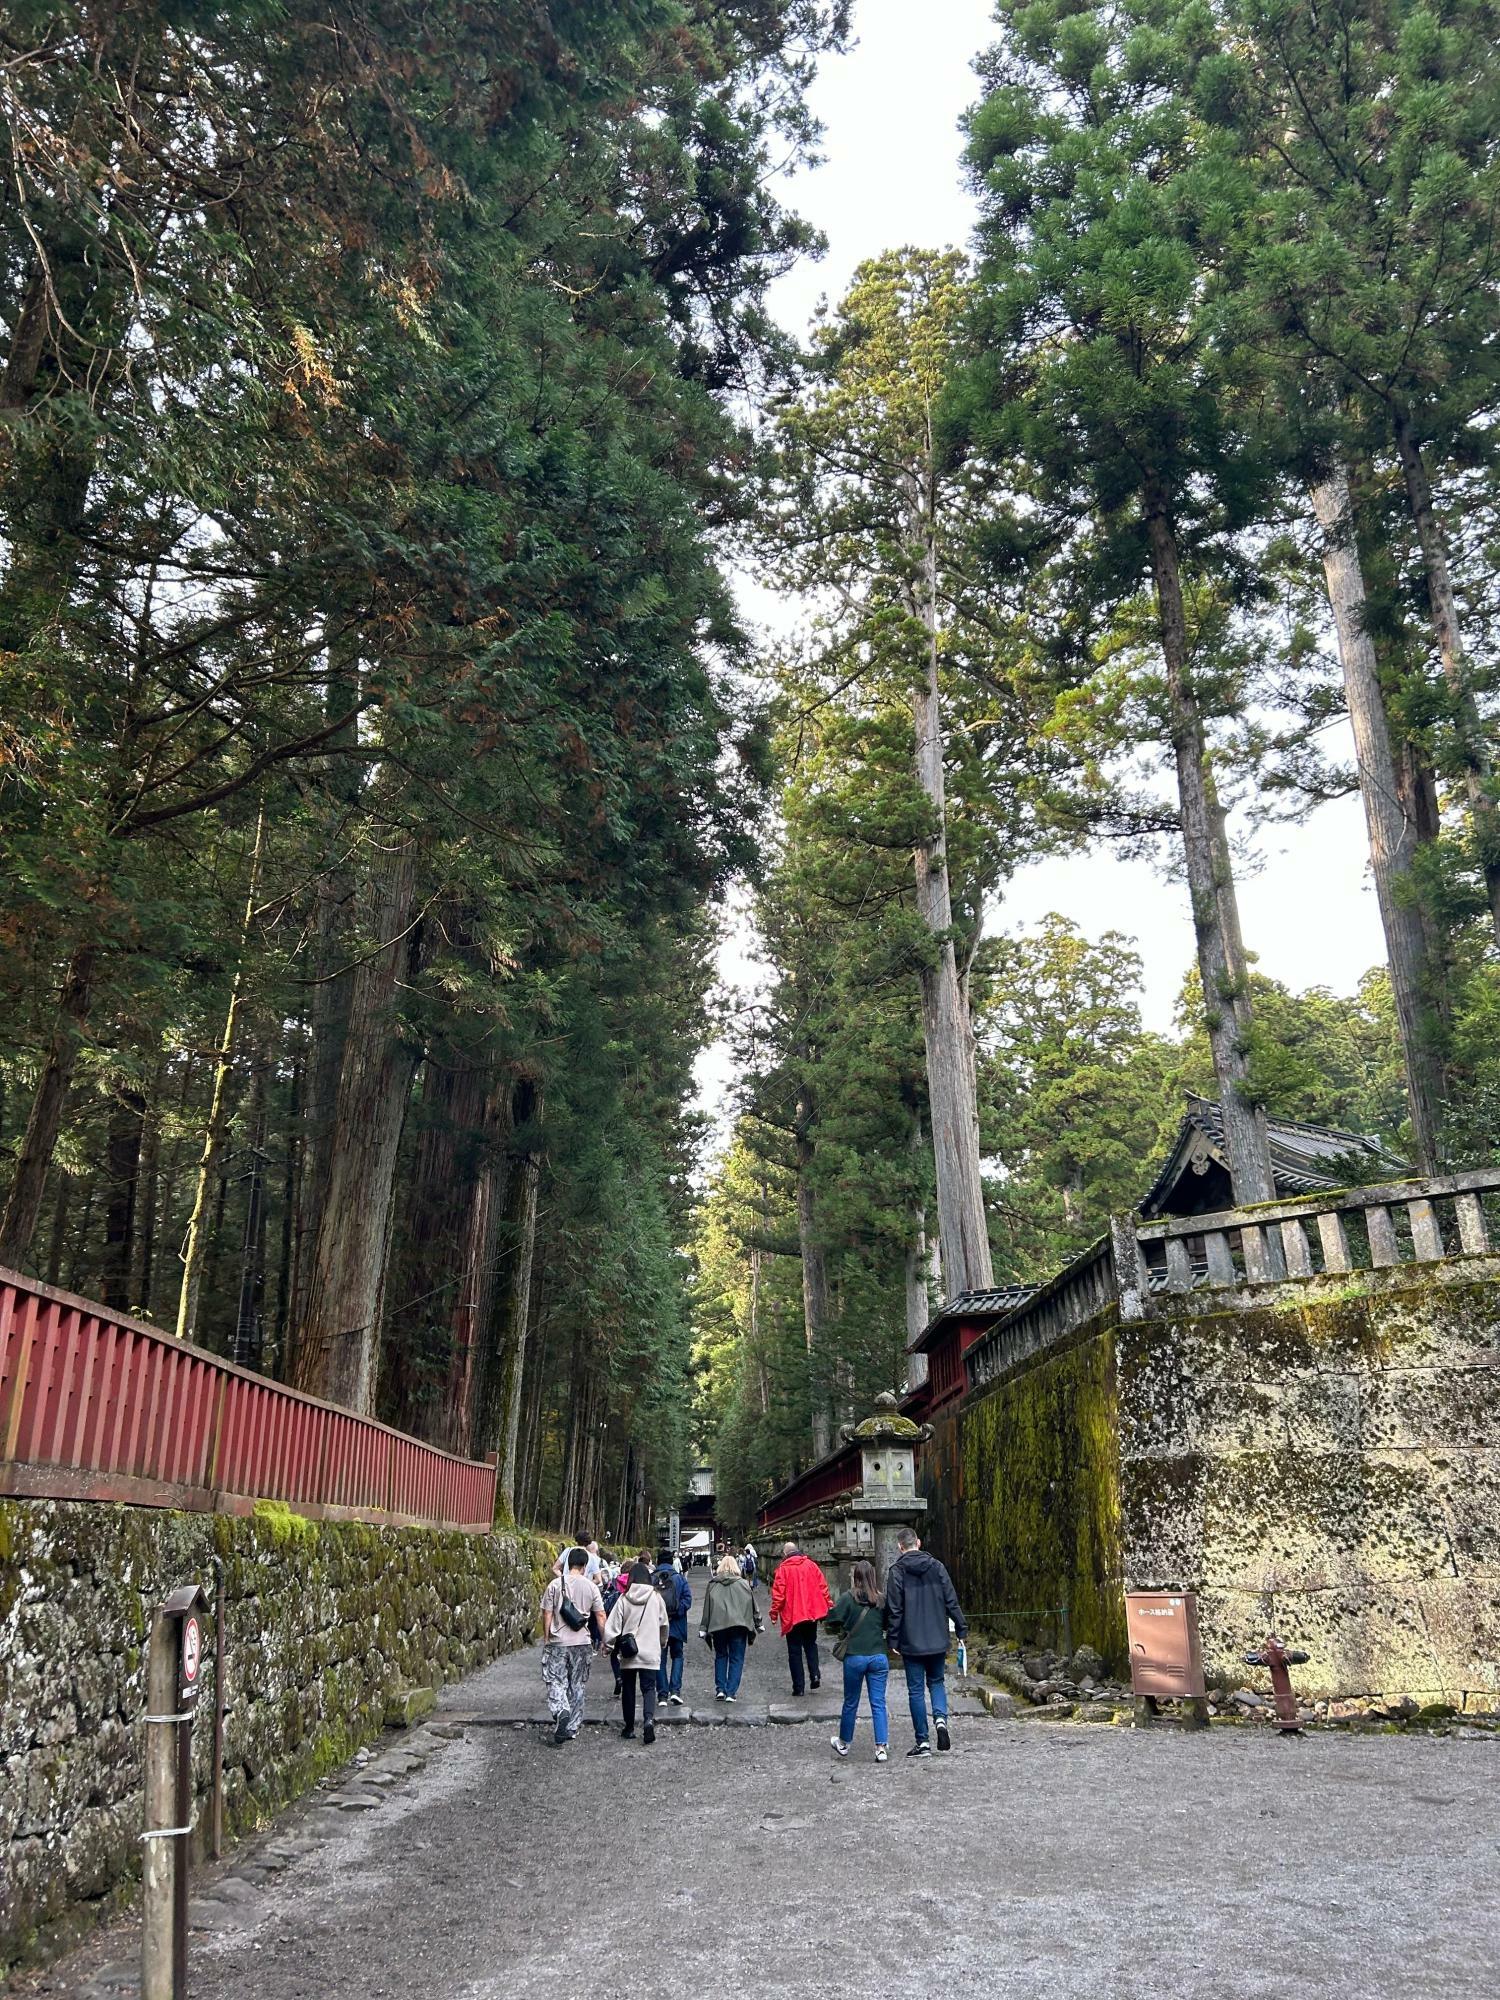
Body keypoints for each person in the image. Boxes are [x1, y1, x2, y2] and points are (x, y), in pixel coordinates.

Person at [884, 1526, 967, 1758]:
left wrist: (893, 1638)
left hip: (911, 1640)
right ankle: (940, 1719)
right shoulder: (937, 1567)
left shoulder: (897, 1572)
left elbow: (895, 1609)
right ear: (918, 1543)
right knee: (937, 1682)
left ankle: (923, 1742)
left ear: (900, 1547)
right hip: (937, 1637)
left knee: (916, 1690)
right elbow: (952, 1600)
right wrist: (961, 1627)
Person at [539, 1545, 605, 1748]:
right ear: (585, 1566)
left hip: (559, 1642)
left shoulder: (554, 1585)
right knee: (577, 1684)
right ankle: (572, 1726)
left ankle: (561, 1711)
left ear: (568, 1564)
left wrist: (547, 1636)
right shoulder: (591, 1587)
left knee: (556, 1680)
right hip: (582, 1642)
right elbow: (600, 1615)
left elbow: (547, 1613)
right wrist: (605, 1641)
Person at [825, 1559, 889, 1762]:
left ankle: (844, 1743)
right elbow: (888, 1624)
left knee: (851, 1702)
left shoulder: (847, 1598)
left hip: (855, 1656)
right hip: (878, 1654)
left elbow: (832, 1618)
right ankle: (880, 1747)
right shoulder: (881, 1600)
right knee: (878, 1702)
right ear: (873, 1576)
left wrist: (841, 1628)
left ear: (856, 1577)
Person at [604, 1558, 669, 1744]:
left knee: (629, 1690)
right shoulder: (656, 1598)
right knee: (649, 1688)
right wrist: (662, 1642)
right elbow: (664, 1623)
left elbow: (613, 1625)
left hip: (629, 1652)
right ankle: (648, 1720)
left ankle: (629, 1727)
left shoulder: (624, 1599)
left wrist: (608, 1646)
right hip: (650, 1650)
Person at [767, 1540, 833, 1695]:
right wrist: (828, 1604)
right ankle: (815, 1674)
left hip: (793, 1615)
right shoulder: (811, 1565)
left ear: (785, 1554)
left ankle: (799, 1687)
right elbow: (823, 1587)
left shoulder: (783, 1570)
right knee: (811, 1644)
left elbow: (778, 1595)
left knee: (794, 1650)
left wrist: (774, 1613)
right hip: (811, 1613)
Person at [699, 1552, 762, 1701]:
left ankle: (720, 1689)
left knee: (721, 1655)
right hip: (739, 1625)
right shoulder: (743, 1584)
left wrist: (704, 1627)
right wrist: (758, 1623)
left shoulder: (713, 1584)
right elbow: (753, 1605)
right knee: (736, 1658)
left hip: (718, 1625)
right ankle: (731, 1692)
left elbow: (707, 1607)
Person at [654, 1549, 692, 1705]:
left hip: (657, 1625)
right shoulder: (679, 1579)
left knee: (659, 1660)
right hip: (676, 1624)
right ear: (671, 1561)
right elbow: (687, 1600)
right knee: (677, 1656)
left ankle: (662, 1695)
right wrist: (676, 1612)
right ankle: (675, 1691)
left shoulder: (652, 1578)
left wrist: (661, 1614)